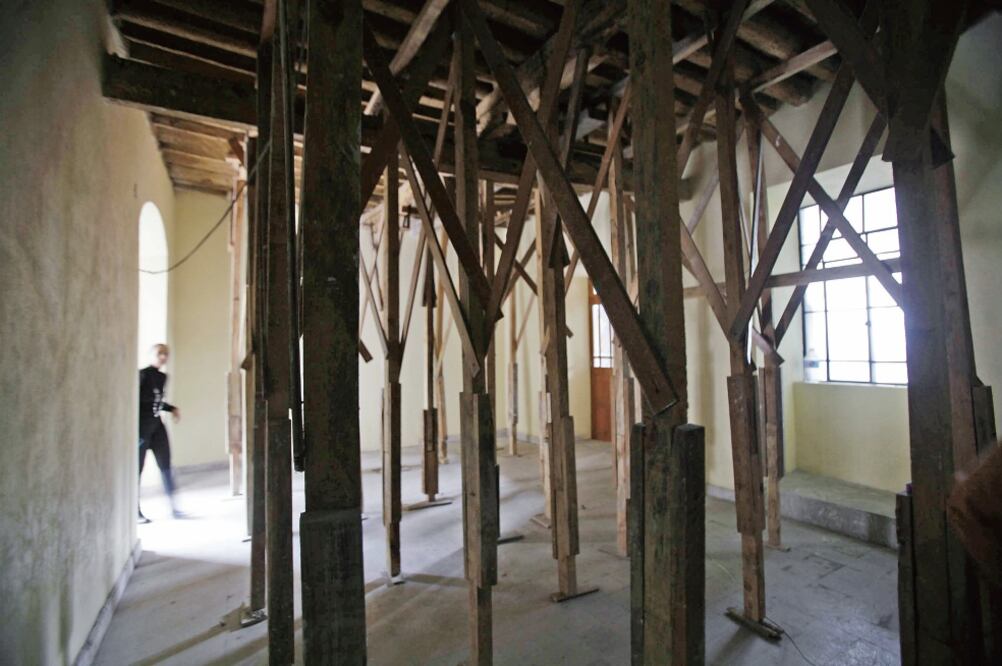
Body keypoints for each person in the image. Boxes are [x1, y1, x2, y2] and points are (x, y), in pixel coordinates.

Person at [138, 343, 184, 522]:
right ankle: (136, 511)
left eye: (166, 354)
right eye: (159, 353)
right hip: (142, 427)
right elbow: (140, 400)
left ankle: (174, 506)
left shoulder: (163, 377)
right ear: (151, 355)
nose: (163, 357)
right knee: (137, 469)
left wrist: (171, 408)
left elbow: (157, 401)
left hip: (157, 426)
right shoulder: (142, 375)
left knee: (166, 464)